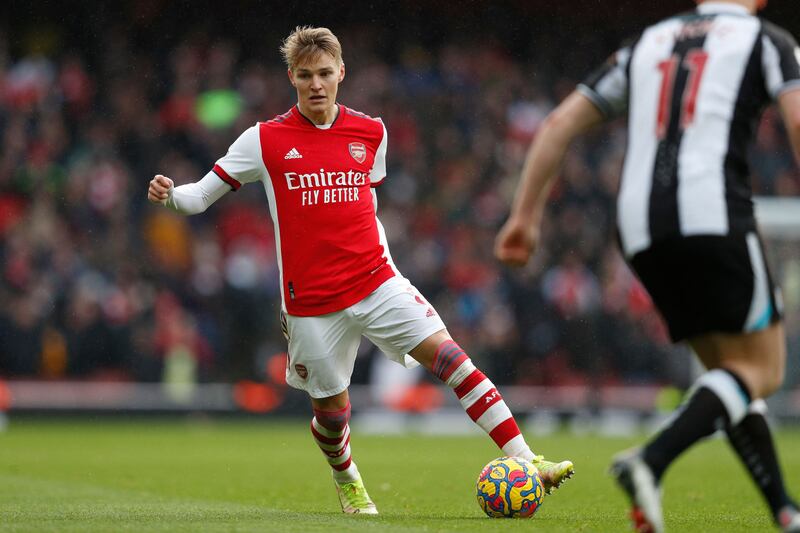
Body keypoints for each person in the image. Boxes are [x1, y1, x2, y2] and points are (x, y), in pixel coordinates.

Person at [148, 26, 574, 515]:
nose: (316, 84)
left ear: (341, 73)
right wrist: (172, 196)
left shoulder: (371, 132)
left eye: (325, 73)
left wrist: (380, 266)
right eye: (305, 75)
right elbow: (201, 196)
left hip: (376, 282)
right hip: (312, 304)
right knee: (332, 414)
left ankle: (527, 459)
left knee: (453, 360)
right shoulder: (263, 140)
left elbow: (365, 200)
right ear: (291, 77)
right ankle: (347, 478)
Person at [495, 1, 800, 531]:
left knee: (728, 376)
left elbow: (558, 122)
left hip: (638, 226)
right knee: (763, 369)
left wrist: (524, 217)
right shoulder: (768, 41)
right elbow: (798, 118)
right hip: (712, 213)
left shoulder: (648, 42)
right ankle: (650, 461)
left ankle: (785, 509)